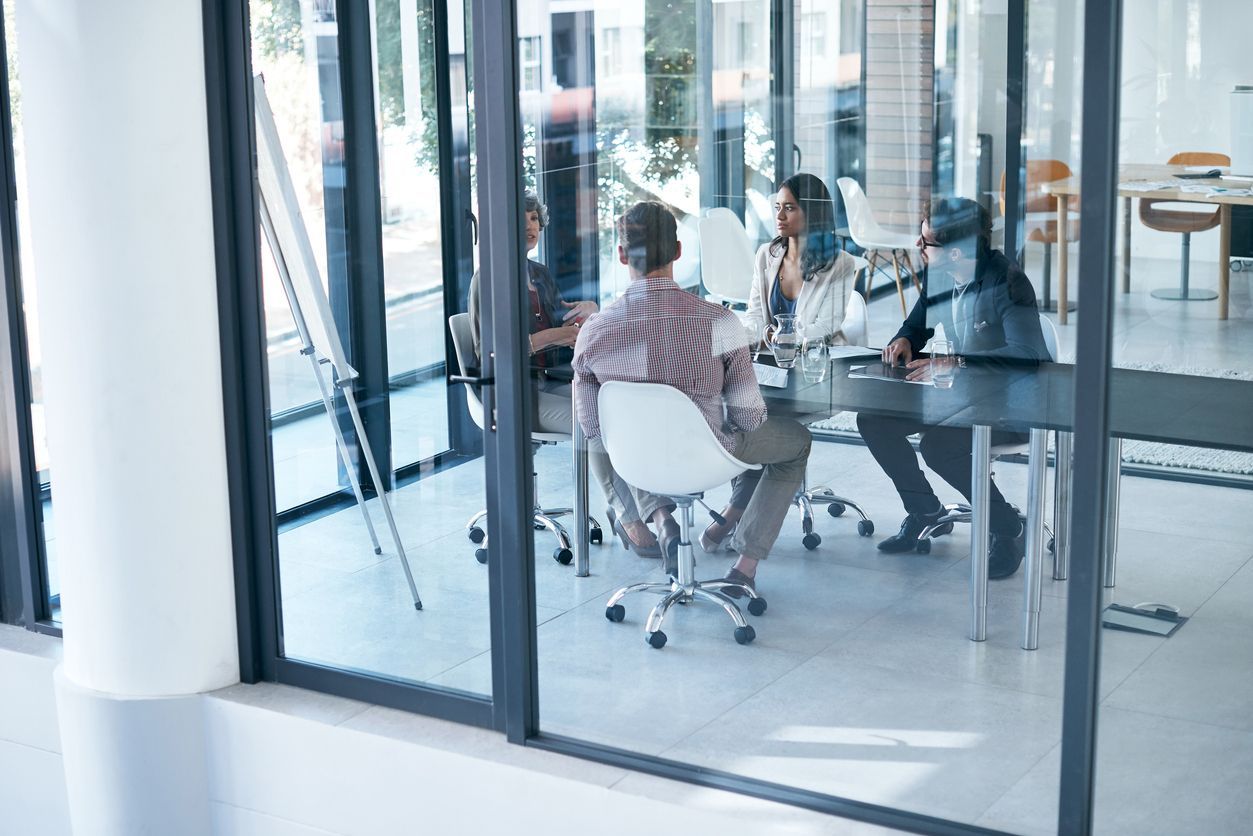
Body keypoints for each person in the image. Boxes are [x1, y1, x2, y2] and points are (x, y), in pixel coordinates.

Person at [572, 201, 812, 595]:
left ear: (620, 255)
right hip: (710, 458)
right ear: (679, 252)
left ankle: (662, 519)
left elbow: (592, 427)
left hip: (639, 460)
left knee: (630, 436)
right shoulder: (719, 321)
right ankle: (744, 566)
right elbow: (749, 419)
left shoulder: (594, 332)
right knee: (797, 442)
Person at [856, 196, 1051, 579]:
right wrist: (904, 340)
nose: (918, 245)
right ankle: (926, 512)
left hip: (1011, 401)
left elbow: (1029, 354)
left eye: (926, 241)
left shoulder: (1007, 282)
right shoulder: (941, 274)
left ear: (957, 252)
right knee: (875, 420)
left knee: (940, 445)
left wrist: (956, 362)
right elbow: (918, 323)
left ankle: (1009, 528)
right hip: (960, 393)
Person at [468, 191, 658, 555]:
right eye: (520, 222)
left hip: (550, 381)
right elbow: (492, 354)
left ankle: (639, 507)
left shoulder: (538, 274)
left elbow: (564, 324)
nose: (529, 228)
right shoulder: (488, 281)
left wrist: (589, 310)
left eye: (534, 220)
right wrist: (559, 335)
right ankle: (628, 515)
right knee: (594, 420)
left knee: (619, 408)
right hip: (513, 393)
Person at [704, 173, 857, 552]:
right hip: (770, 368)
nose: (780, 216)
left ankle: (733, 513)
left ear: (813, 213)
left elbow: (828, 325)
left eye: (790, 207)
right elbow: (756, 314)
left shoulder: (841, 263)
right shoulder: (767, 255)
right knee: (744, 416)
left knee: (763, 422)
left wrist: (784, 333)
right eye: (777, 207)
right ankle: (740, 514)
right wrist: (754, 335)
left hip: (816, 372)